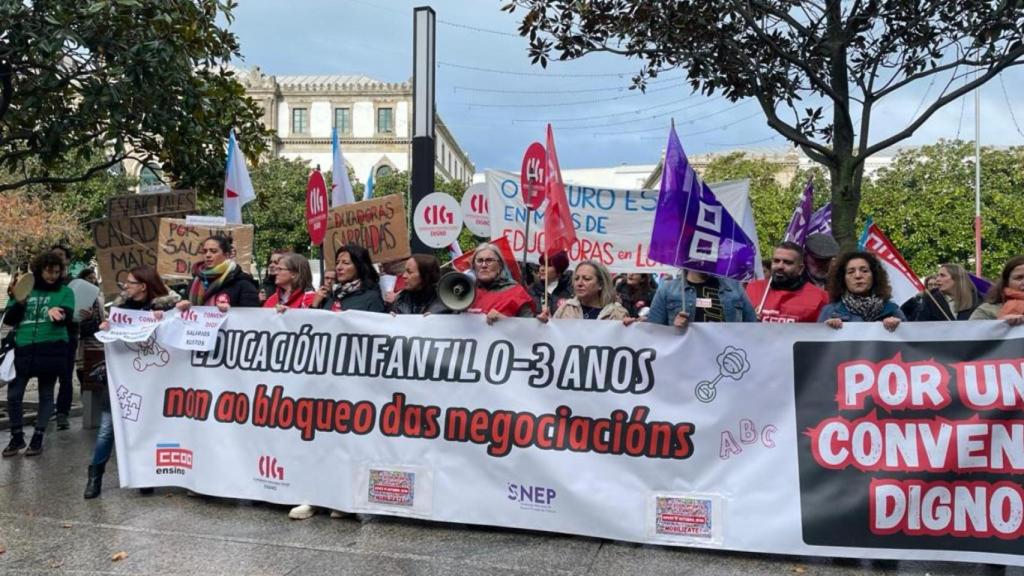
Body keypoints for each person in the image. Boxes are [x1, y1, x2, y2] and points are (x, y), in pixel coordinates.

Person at [84, 266, 179, 498]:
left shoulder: (164, 308)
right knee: (107, 430)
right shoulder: (120, 310)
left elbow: (180, 313)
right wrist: (105, 327)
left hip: (152, 385)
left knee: (148, 429)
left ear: (143, 286)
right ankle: (94, 477)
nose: (125, 286)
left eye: (130, 282)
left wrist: (163, 316)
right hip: (121, 384)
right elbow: (99, 332)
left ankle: (145, 476)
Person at [2, 252, 75, 457]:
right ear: (39, 270)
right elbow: (9, 319)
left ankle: (38, 436)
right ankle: (16, 437)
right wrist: (20, 303)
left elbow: (67, 317)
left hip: (51, 347)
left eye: (57, 272)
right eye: (48, 272)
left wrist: (57, 314)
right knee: (14, 395)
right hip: (24, 347)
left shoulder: (65, 292)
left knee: (45, 393)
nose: (52, 276)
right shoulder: (25, 289)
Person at [818, 251, 905, 331]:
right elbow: (818, 346)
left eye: (864, 271)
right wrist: (827, 330)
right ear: (842, 279)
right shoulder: (830, 312)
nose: (858, 276)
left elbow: (909, 345)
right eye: (851, 272)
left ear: (874, 276)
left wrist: (898, 328)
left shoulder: (892, 310)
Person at [745, 242, 829, 323]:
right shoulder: (752, 288)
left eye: (787, 263)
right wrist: (749, 318)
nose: (780, 266)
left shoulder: (820, 297)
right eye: (776, 261)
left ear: (800, 269)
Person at [647, 269, 756, 328]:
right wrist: (673, 331)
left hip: (724, 363)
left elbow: (753, 329)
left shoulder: (734, 288)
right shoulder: (667, 290)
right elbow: (653, 333)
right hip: (685, 364)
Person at [177, 235, 259, 312]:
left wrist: (231, 313)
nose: (208, 255)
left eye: (213, 251)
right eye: (205, 251)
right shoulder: (195, 281)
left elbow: (250, 317)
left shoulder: (243, 283)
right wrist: (181, 307)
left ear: (226, 255)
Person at [464, 242, 535, 324]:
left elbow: (529, 329)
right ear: (474, 266)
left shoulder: (517, 293)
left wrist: (505, 321)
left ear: (500, 266)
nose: (483, 265)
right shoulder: (465, 290)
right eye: (479, 261)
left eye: (489, 260)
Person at [539, 260, 628, 321]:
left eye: (587, 279)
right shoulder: (566, 309)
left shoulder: (617, 313)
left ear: (600, 284)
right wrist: (546, 325)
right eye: (576, 278)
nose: (579, 283)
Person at [311, 245, 386, 313]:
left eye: (346, 263)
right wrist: (315, 305)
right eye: (337, 263)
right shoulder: (332, 296)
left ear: (359, 267)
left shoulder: (371, 298)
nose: (339, 267)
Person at [50, 245, 75, 431]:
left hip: (69, 335)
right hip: (46, 336)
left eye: (60, 256)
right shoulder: (41, 282)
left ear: (67, 260)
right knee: (47, 376)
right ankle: (47, 410)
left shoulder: (74, 284)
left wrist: (88, 315)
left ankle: (62, 414)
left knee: (65, 376)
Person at [912, 264, 979, 321]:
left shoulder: (977, 299)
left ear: (957, 279)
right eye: (938, 275)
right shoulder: (931, 299)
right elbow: (919, 326)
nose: (937, 279)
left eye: (942, 275)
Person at [969, 255, 1024, 325]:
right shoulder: (987, 310)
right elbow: (970, 333)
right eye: (1019, 278)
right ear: (1006, 282)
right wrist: (999, 324)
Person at [528, 250, 572, 316]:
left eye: (548, 265)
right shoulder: (531, 290)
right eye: (541, 264)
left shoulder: (570, 292)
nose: (542, 269)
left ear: (559, 270)